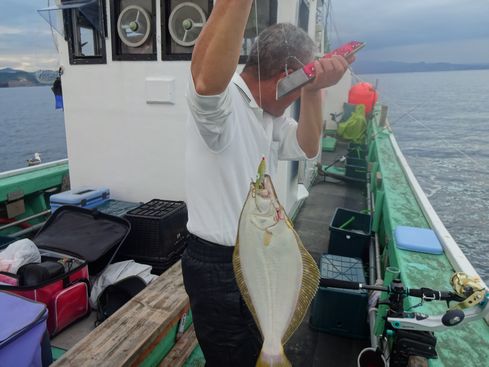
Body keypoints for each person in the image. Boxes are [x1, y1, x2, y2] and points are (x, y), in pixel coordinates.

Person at [182, 1, 354, 366]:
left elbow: (308, 147)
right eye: (298, 85)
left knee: (264, 350)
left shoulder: (269, 115)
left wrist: (312, 89)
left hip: (263, 257)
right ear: (287, 72)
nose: (294, 99)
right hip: (218, 267)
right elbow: (204, 78)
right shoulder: (224, 105)